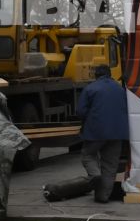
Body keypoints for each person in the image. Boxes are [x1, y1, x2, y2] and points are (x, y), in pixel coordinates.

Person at [46, 65, 130, 203]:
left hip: (96, 132)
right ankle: (102, 197)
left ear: (96, 75)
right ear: (110, 74)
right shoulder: (120, 89)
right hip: (118, 132)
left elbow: (81, 111)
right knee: (110, 165)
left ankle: (95, 175)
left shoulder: (91, 88)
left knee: (88, 155)